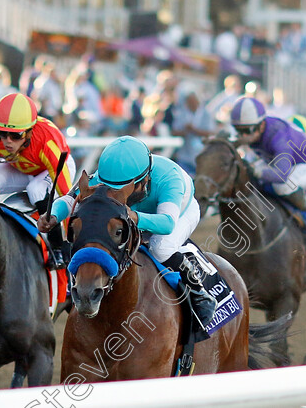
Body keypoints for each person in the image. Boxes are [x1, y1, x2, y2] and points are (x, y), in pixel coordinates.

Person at [38, 136, 216, 325]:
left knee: (160, 248)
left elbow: (167, 224)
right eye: (112, 189)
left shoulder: (169, 179)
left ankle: (199, 292)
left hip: (180, 213)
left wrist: (135, 217)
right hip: (135, 211)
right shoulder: (110, 176)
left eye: (121, 190)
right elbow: (69, 199)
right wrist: (54, 215)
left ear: (143, 180)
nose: (116, 194)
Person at [0, 93, 74, 211]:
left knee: (36, 191)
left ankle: (50, 228)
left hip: (57, 166)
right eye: (3, 133)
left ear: (30, 132)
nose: (8, 141)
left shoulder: (47, 140)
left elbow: (67, 198)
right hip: (19, 168)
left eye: (16, 135)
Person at [230, 96, 306, 215]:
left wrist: (256, 171)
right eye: (238, 130)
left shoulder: (279, 138)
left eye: (247, 130)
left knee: (282, 187)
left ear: (262, 125)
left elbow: (281, 176)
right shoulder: (258, 129)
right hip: (280, 161)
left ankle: (304, 215)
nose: (242, 136)